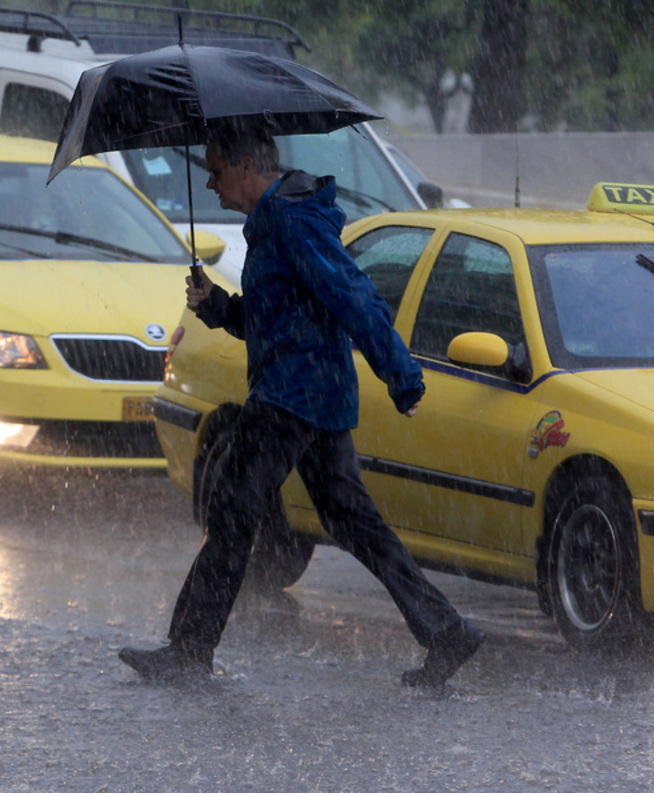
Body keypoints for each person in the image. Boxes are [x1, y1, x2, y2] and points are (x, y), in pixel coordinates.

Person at [119, 123, 483, 688]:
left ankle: (189, 650)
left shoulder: (292, 221)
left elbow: (351, 295)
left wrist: (402, 376)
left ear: (245, 168)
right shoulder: (274, 225)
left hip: (292, 396)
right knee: (353, 523)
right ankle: (445, 630)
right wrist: (217, 305)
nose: (211, 184)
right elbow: (275, 320)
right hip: (312, 394)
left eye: (215, 171)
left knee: (232, 513)